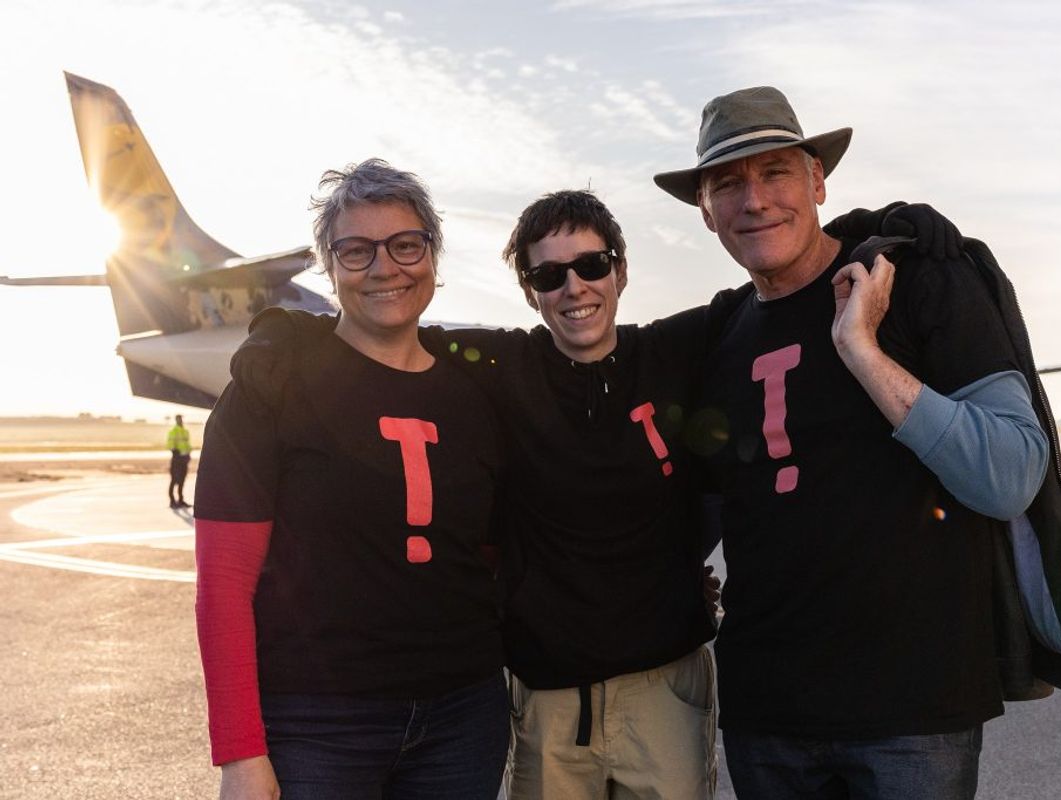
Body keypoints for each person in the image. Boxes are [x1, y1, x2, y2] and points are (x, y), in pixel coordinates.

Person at [237, 190, 963, 799]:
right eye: (549, 276)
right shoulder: (498, 366)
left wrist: (878, 229)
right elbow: (392, 324)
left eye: (591, 266)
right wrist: (285, 329)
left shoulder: (680, 348)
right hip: (548, 703)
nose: (573, 288)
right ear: (528, 290)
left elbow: (779, 283)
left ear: (619, 272)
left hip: (664, 692)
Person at [652, 85, 1061, 799]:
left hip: (913, 717)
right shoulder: (718, 334)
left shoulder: (915, 280)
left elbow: (1010, 473)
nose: (754, 199)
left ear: (818, 180)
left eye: (776, 172)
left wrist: (861, 350)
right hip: (767, 715)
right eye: (727, 183)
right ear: (705, 212)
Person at [194, 160, 508, 800]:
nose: (385, 268)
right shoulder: (273, 384)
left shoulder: (475, 394)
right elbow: (224, 584)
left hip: (463, 718)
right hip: (316, 724)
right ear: (329, 267)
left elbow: (493, 550)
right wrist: (240, 754)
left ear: (433, 257)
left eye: (406, 245)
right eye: (356, 251)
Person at [166, 414, 191, 509]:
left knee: (182, 480)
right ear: (176, 420)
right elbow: (170, 444)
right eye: (178, 419)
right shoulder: (173, 431)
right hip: (176, 459)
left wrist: (188, 455)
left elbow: (187, 444)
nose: (180, 421)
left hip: (184, 459)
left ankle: (180, 500)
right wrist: (176, 453)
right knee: (174, 480)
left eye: (181, 419)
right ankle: (172, 501)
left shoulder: (185, 431)